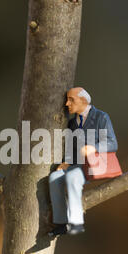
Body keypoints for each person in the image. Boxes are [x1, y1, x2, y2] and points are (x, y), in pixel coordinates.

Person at [48, 87, 118, 237]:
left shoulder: (101, 117)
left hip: (95, 165)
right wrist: (66, 161)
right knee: (55, 177)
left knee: (73, 177)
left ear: (84, 100)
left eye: (71, 99)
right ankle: (61, 222)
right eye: (67, 99)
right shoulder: (73, 124)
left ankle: (76, 222)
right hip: (77, 164)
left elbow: (113, 143)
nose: (67, 103)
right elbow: (71, 148)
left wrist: (94, 148)